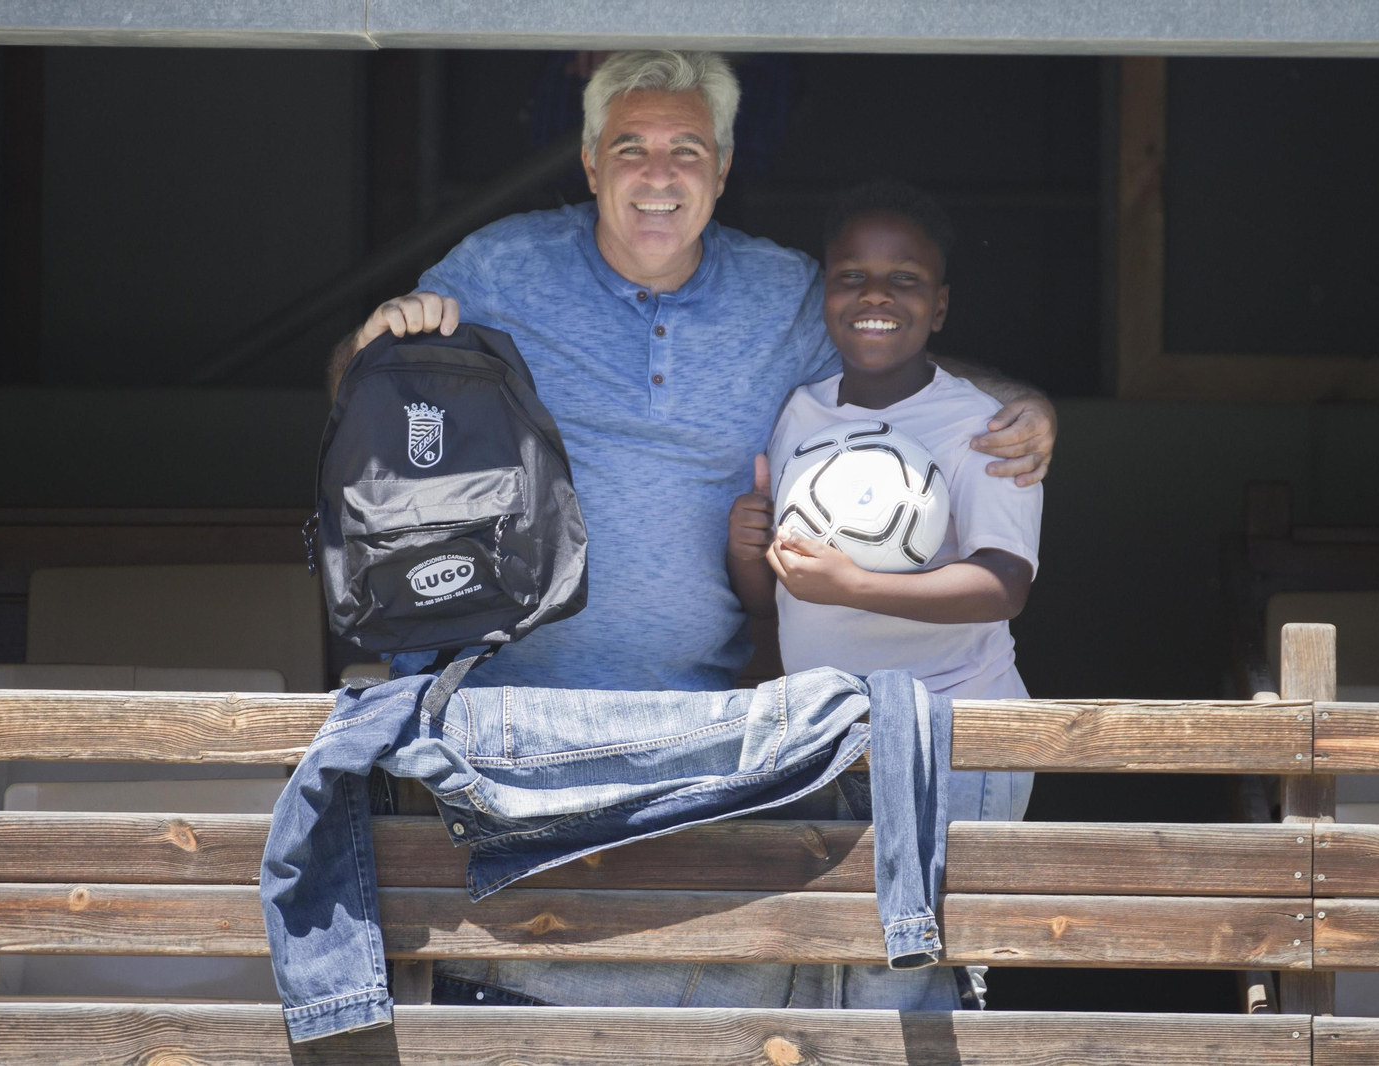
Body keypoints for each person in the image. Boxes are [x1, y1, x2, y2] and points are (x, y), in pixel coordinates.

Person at [327, 50, 1056, 1009]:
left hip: (701, 734)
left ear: (720, 169)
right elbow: (361, 384)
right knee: (504, 1001)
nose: (658, 174)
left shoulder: (783, 293)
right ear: (590, 162)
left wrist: (1031, 408)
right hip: (506, 724)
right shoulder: (503, 266)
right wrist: (382, 331)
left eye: (686, 150)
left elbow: (900, 366)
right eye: (630, 147)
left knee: (689, 1000)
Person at [726, 179, 1041, 1008]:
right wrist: (746, 553)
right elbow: (775, 603)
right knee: (830, 973)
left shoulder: (985, 427)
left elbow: (1004, 586)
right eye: (851, 276)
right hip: (827, 731)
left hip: (953, 734)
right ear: (824, 295)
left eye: (904, 279)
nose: (875, 296)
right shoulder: (798, 415)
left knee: (928, 978)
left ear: (939, 307)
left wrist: (859, 585)